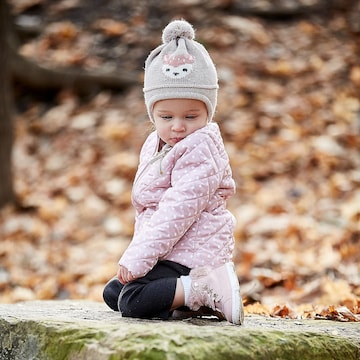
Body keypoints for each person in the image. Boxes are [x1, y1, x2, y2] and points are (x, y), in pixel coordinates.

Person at [103, 19, 244, 325]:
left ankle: (206, 287)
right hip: (172, 249)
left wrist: (139, 258)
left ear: (209, 111)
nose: (178, 126)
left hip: (193, 254)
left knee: (132, 299)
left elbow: (176, 211)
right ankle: (187, 301)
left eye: (191, 116)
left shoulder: (201, 149)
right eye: (166, 116)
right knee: (114, 292)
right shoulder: (158, 143)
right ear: (151, 111)